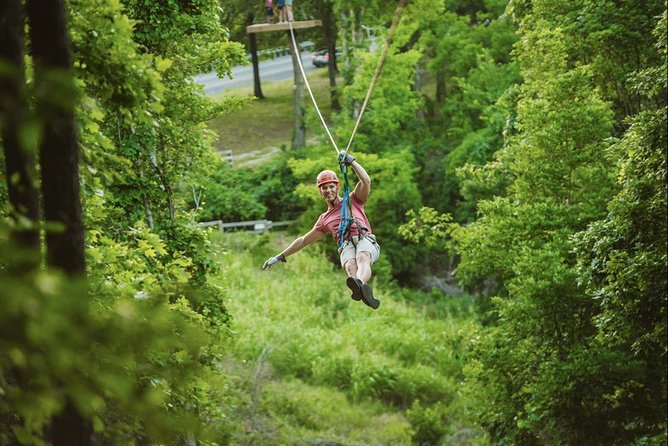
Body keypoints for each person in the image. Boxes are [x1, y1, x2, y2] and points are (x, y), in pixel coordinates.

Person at [262, 151, 381, 309]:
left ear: (337, 187)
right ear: (320, 191)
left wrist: (351, 161)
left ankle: (360, 283)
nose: (328, 190)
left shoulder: (354, 199)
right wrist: (279, 256)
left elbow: (366, 180)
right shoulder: (324, 220)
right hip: (345, 245)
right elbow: (303, 241)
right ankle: (359, 288)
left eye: (331, 186)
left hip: (363, 239)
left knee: (362, 257)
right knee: (350, 265)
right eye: (324, 188)